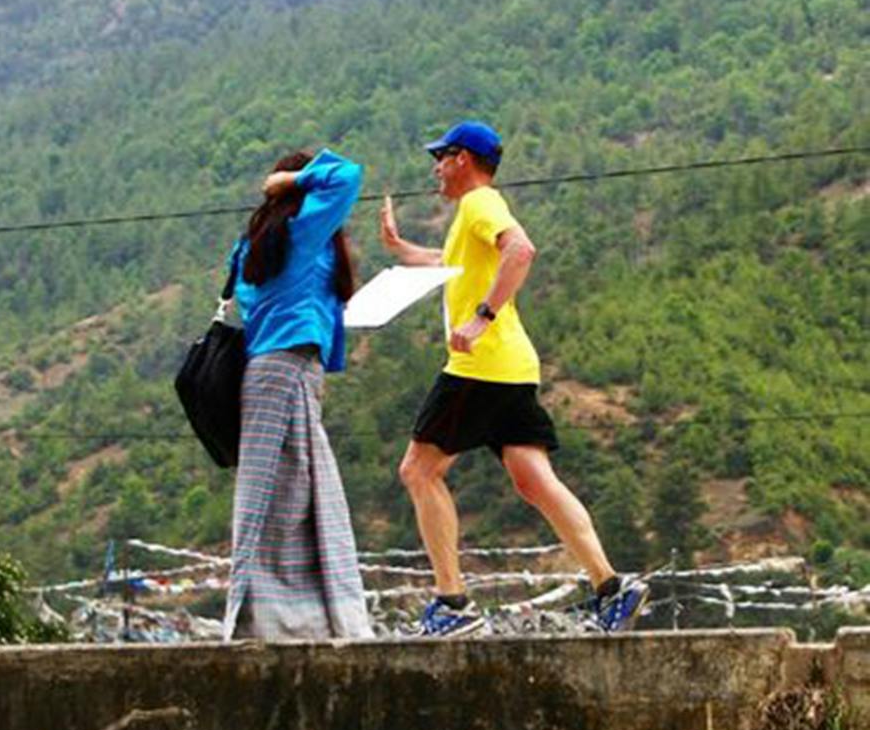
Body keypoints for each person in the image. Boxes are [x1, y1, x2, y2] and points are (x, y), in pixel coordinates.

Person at [378, 121, 649, 635]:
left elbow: (520, 250)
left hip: (479, 367)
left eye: (441, 157)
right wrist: (400, 248)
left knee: (418, 471)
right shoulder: (471, 216)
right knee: (534, 480)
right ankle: (612, 588)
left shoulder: (480, 204)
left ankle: (452, 604)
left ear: (462, 159)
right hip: (514, 368)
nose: (435, 168)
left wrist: (481, 317)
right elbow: (447, 262)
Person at [223, 148, 373, 640]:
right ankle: (277, 620)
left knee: (289, 495)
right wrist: (294, 179)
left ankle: (293, 617)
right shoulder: (302, 232)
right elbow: (347, 174)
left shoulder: (256, 244)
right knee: (285, 500)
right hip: (286, 369)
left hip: (272, 371)